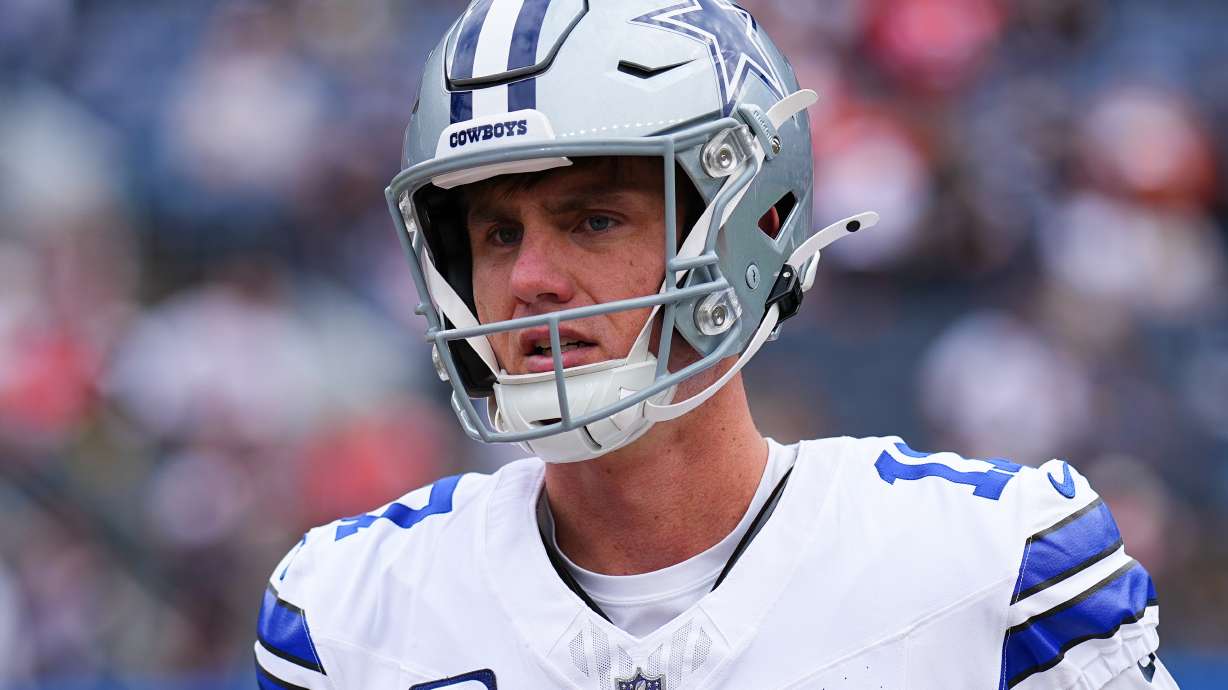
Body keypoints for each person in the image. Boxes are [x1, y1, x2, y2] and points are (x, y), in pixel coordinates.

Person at [254, 1, 1179, 688]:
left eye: (594, 219)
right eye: (497, 234)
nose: (529, 277)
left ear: (751, 225)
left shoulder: (1000, 571)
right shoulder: (348, 613)